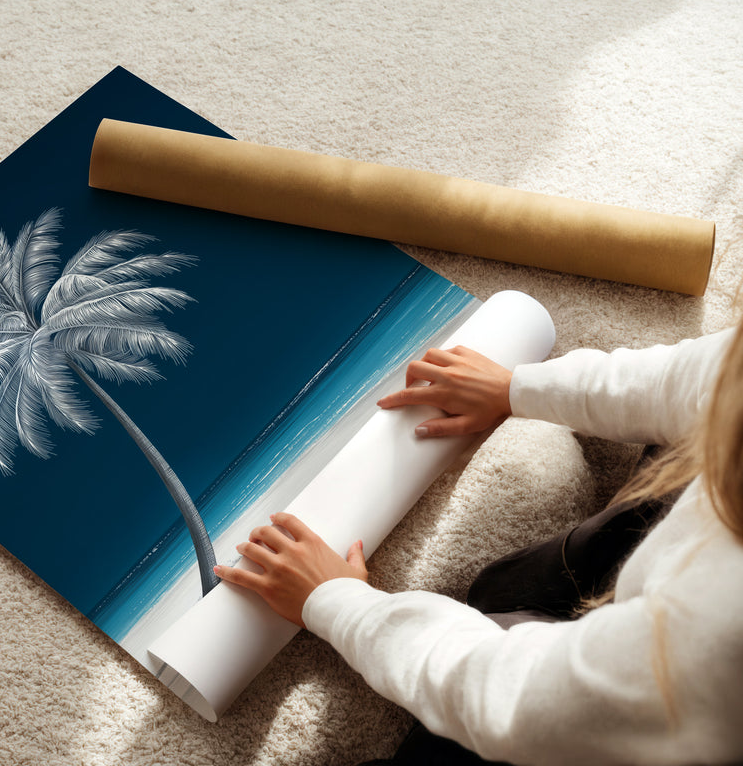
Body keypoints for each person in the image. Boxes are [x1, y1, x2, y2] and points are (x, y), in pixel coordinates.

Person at [213, 323, 743, 765]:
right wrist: (516, 388)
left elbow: (513, 698)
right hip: (675, 607)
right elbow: (703, 376)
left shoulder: (718, 634)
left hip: (672, 715)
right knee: (505, 589)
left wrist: (338, 603)